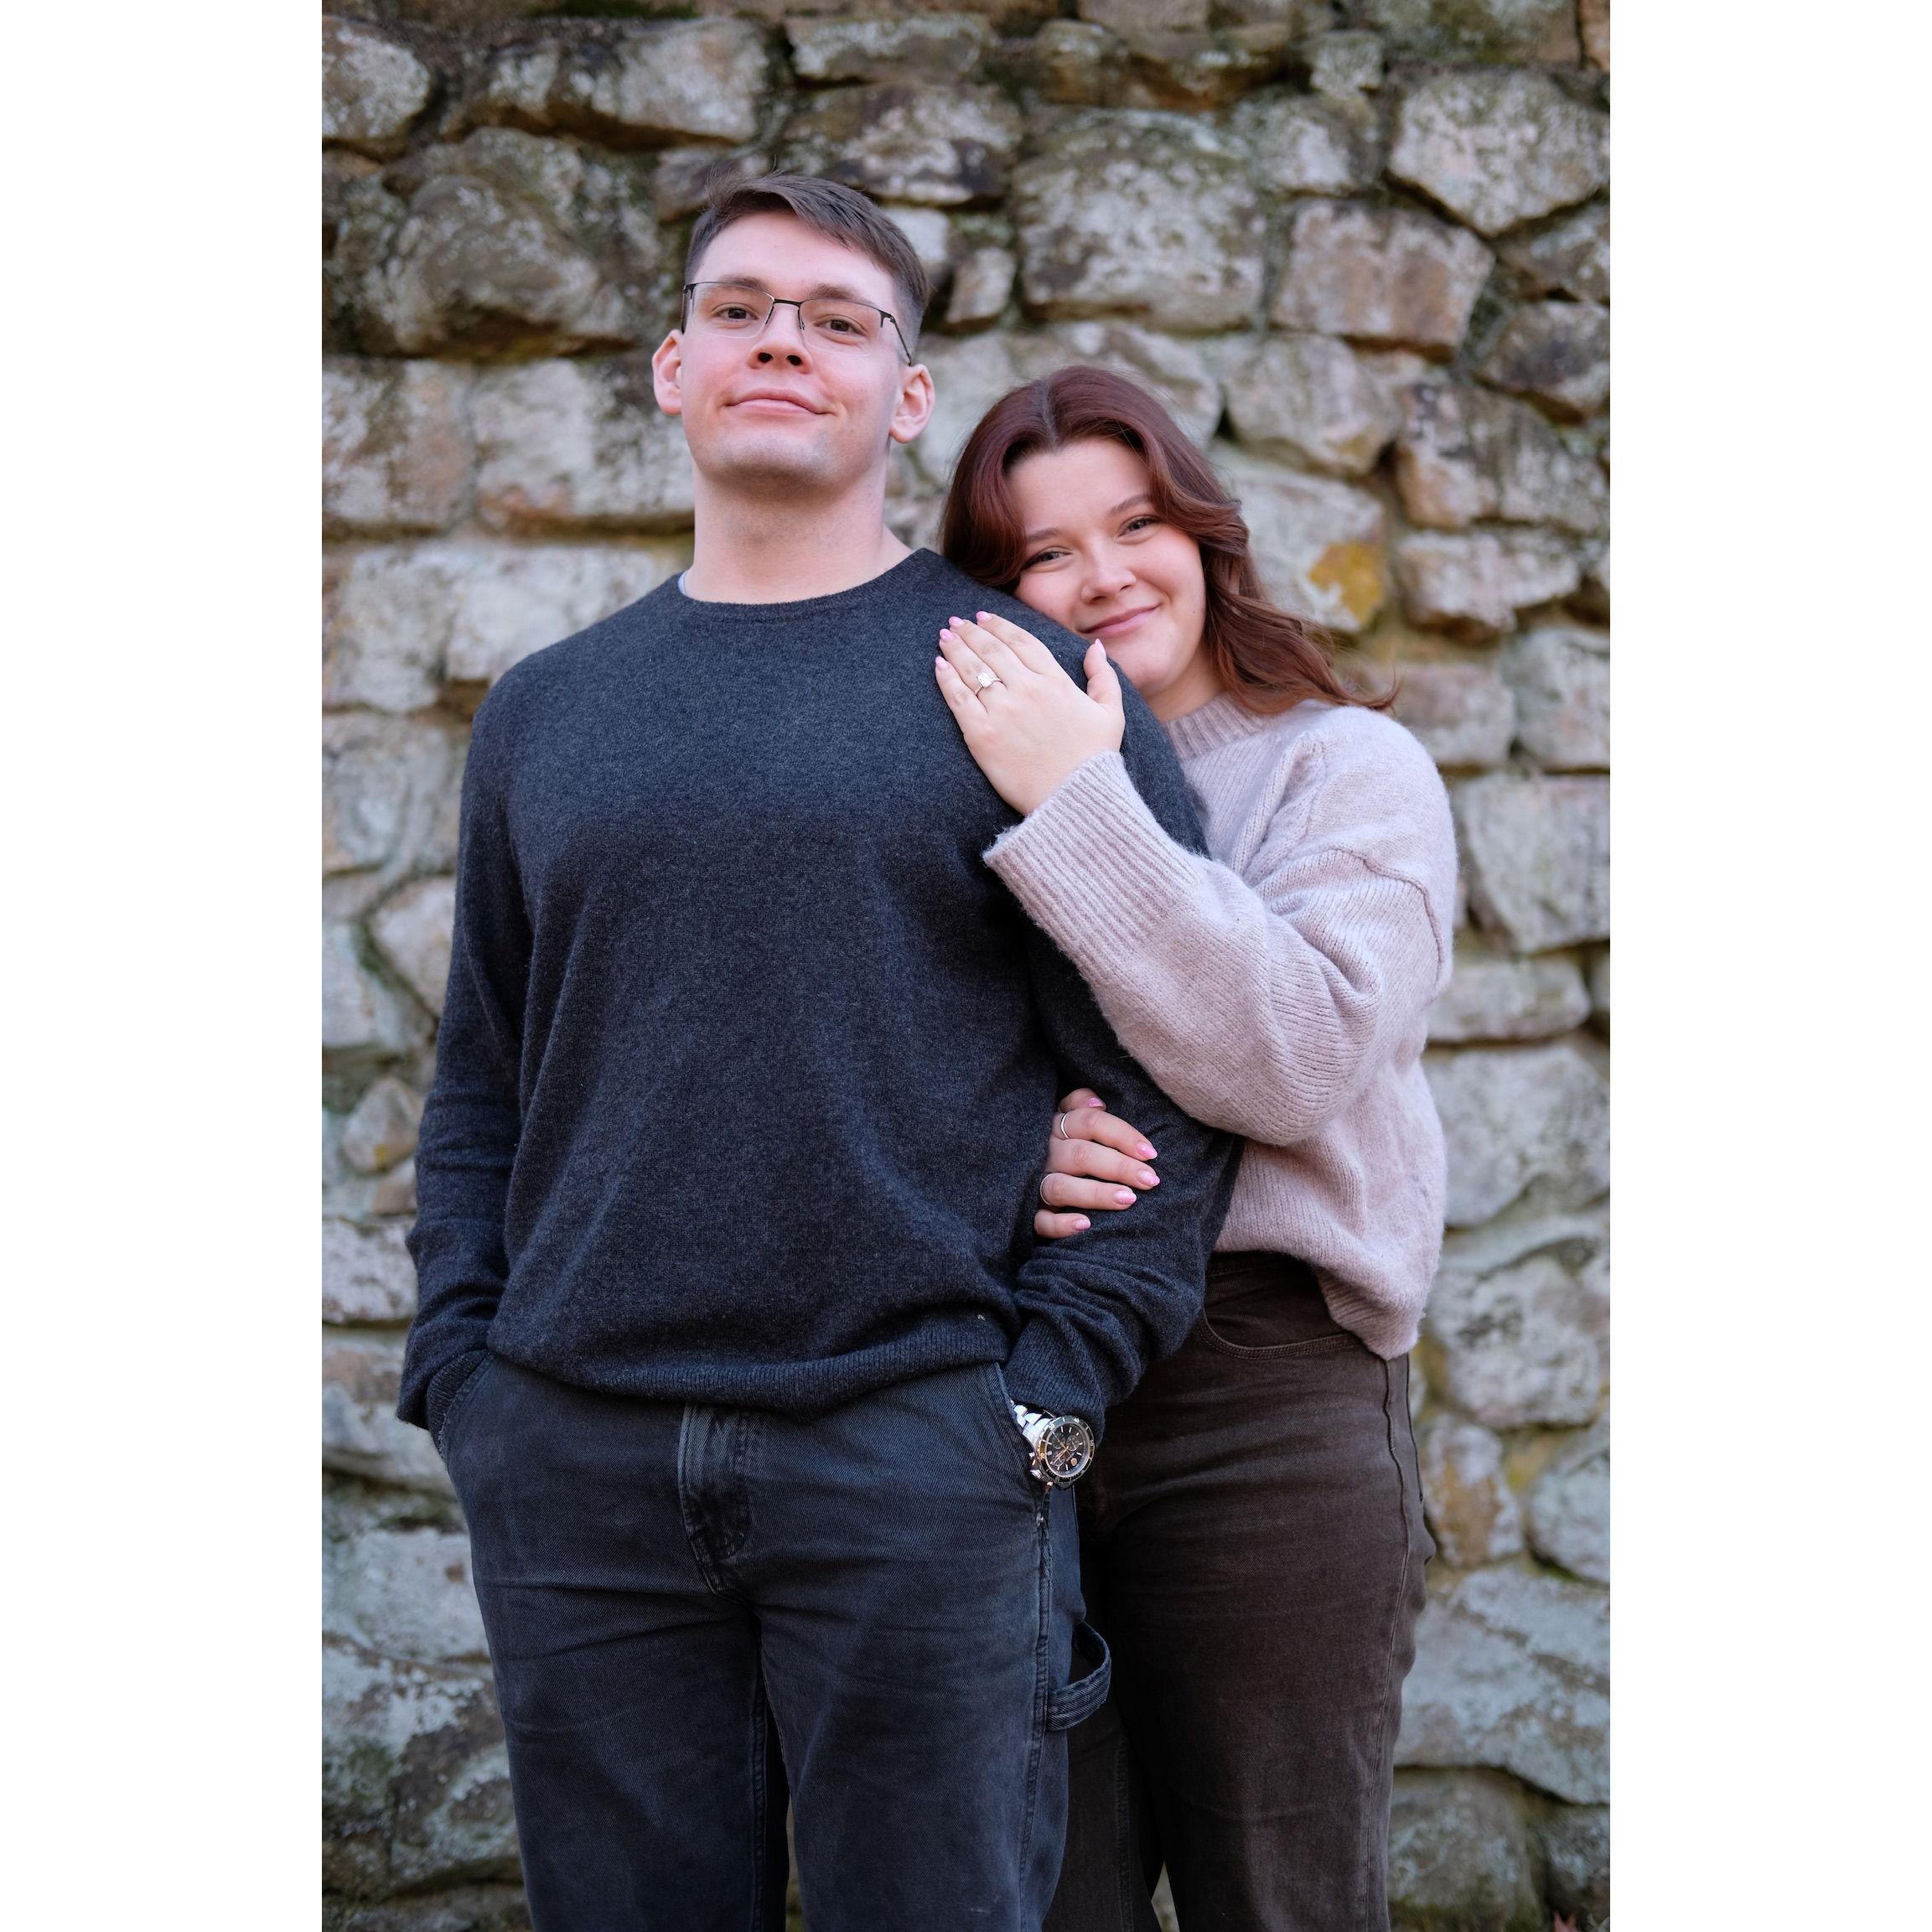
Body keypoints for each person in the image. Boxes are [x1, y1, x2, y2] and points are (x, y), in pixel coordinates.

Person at [395, 178, 1241, 1932]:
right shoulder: (547, 708)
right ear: (672, 368)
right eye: (740, 308)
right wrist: (467, 1381)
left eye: (838, 320)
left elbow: (1174, 1059)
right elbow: (484, 1072)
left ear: (904, 395)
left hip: (917, 1457)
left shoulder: (1022, 683)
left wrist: (1040, 1405)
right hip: (578, 1464)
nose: (783, 341)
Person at [929, 365, 1458, 1932]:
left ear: (1203, 532)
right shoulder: (945, 795)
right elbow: (907, 1066)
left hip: (1265, 1403)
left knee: (1277, 1898)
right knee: (1041, 1896)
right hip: (1012, 1385)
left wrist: (1077, 798)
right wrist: (1010, 1148)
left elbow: (1293, 1055)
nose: (1101, 576)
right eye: (1044, 552)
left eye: (1135, 523)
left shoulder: (1341, 769)